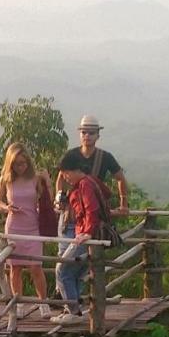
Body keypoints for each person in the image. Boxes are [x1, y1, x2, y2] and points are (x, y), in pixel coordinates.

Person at [54, 115, 128, 310]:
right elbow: (60, 178)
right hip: (71, 216)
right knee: (70, 262)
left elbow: (120, 179)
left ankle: (72, 308)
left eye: (91, 132)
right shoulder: (71, 155)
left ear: (98, 135)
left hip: (87, 223)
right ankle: (71, 304)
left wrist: (123, 203)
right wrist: (59, 197)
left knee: (69, 266)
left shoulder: (104, 158)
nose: (87, 136)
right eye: (84, 132)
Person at [50, 150, 109, 324]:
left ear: (74, 170)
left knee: (62, 269)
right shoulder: (89, 181)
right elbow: (106, 194)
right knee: (73, 273)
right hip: (85, 234)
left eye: (66, 174)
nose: (66, 178)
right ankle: (73, 310)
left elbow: (92, 209)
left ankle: (73, 311)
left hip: (87, 235)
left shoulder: (84, 184)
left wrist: (88, 232)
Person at [0, 143, 52, 316]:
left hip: (32, 226)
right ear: (11, 163)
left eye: (24, 163)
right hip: (14, 226)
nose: (21, 167)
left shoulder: (35, 178)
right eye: (17, 164)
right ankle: (18, 302)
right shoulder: (6, 178)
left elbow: (47, 198)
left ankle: (43, 302)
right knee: (15, 268)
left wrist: (47, 181)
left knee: (36, 267)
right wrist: (6, 207)